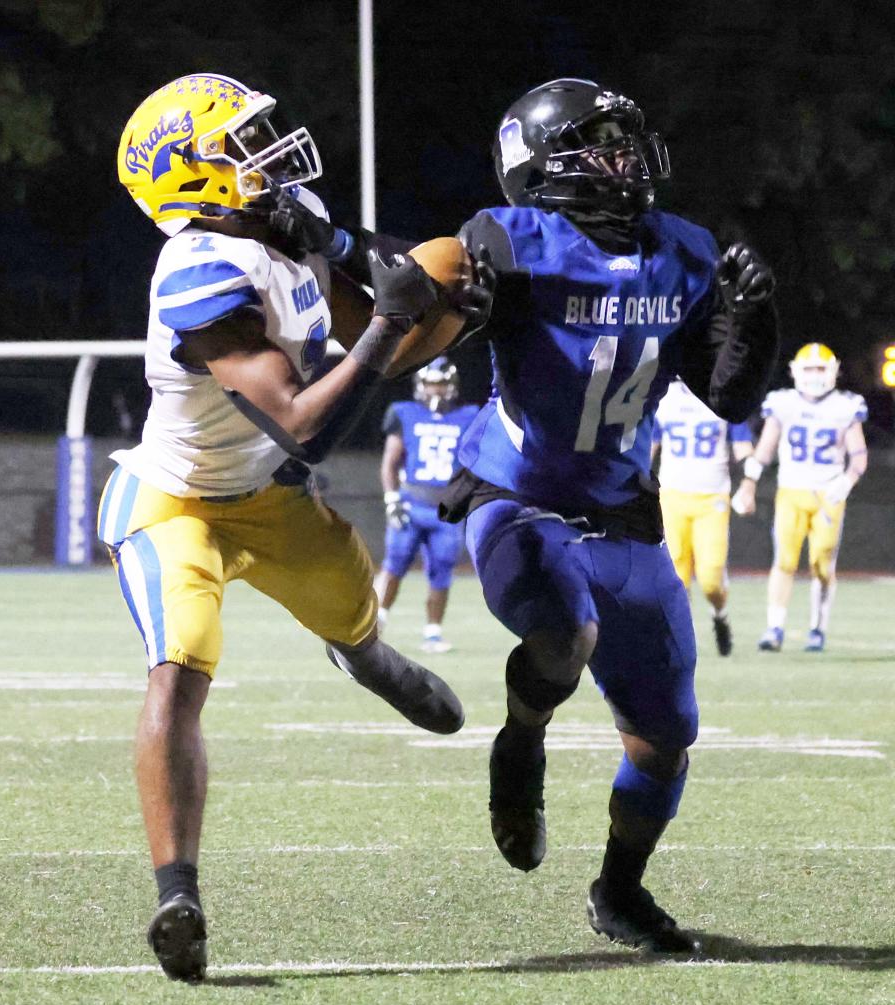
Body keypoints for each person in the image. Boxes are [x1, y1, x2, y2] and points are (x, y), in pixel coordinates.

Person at [256, 77, 778, 952]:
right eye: (603, 143)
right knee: (564, 631)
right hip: (518, 494)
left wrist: (755, 324)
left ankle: (619, 894)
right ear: (547, 165)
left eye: (625, 140)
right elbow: (414, 300)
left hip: (619, 507)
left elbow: (726, 398)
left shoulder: (681, 249)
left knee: (664, 737)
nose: (626, 159)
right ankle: (522, 740)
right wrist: (369, 258)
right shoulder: (508, 239)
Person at [104, 73, 488, 983]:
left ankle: (367, 658)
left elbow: (381, 299)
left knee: (354, 612)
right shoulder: (198, 268)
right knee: (180, 667)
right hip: (178, 500)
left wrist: (408, 282)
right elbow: (306, 420)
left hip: (268, 494)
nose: (268, 148)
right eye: (242, 140)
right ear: (191, 175)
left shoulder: (281, 213)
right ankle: (177, 892)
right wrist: (393, 326)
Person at [730, 343, 868, 652]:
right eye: (810, 369)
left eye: (821, 369)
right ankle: (774, 628)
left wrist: (845, 483)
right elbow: (764, 451)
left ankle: (817, 628)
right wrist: (748, 483)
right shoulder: (783, 404)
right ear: (795, 371)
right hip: (791, 491)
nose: (815, 375)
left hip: (828, 494)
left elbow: (859, 457)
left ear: (833, 371)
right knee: (784, 561)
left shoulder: (845, 406)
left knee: (822, 563)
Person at [374, 358, 480, 652]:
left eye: (442, 384)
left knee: (443, 568)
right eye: (432, 383)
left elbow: (475, 463)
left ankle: (433, 632)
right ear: (420, 385)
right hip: (412, 502)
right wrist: (391, 498)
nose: (437, 390)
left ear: (453, 386)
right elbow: (390, 462)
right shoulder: (404, 413)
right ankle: (376, 622)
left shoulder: (468, 415)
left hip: (446, 508)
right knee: (394, 562)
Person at [651, 379, 755, 655]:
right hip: (672, 494)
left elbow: (744, 448)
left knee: (711, 578)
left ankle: (719, 616)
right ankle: (680, 641)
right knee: (676, 576)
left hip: (712, 499)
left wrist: (749, 483)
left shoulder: (724, 397)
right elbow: (649, 447)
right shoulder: (664, 396)